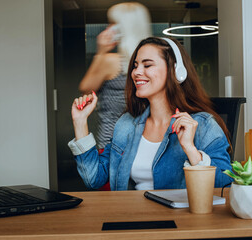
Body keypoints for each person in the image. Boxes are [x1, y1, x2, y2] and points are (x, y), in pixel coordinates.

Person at [68, 37, 233, 191]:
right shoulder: (126, 124)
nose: (136, 72)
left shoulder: (204, 125)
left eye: (147, 65)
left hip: (181, 220)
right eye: (135, 65)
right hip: (132, 217)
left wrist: (190, 149)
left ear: (176, 72)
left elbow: (224, 185)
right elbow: (93, 179)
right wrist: (80, 122)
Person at [78, 2, 151, 150]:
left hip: (111, 144)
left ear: (123, 28)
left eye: (112, 24)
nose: (108, 29)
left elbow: (85, 89)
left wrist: (100, 52)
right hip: (145, 142)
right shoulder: (153, 64)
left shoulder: (110, 61)